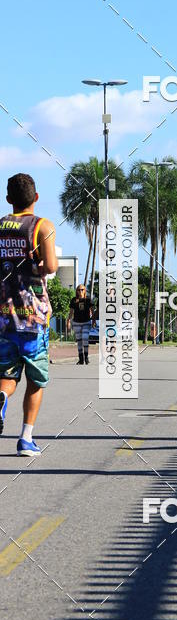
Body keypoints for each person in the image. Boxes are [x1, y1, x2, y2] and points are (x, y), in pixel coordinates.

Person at [0, 173, 58, 457]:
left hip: (3, 317)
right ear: (35, 198)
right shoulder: (42, 226)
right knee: (36, 379)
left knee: (6, 376)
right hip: (34, 318)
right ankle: (26, 438)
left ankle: (1, 398)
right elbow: (51, 266)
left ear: (9, 199)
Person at [67, 284, 95, 364]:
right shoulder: (74, 300)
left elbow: (92, 311)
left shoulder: (88, 300)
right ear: (76, 291)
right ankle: (81, 358)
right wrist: (68, 321)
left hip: (86, 322)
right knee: (79, 341)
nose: (80, 291)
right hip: (76, 322)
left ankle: (86, 357)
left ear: (85, 290)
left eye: (82, 289)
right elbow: (71, 312)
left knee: (85, 338)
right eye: (79, 290)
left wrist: (93, 321)